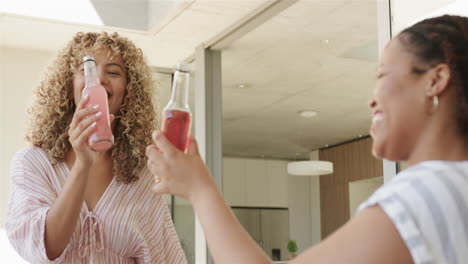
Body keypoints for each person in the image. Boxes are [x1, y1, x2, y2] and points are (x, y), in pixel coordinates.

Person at [146, 14, 468, 264]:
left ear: (435, 80)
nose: (372, 100)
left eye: (382, 75)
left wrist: (199, 189)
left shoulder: (426, 192)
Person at [6, 32, 187, 263]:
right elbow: (46, 247)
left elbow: (165, 257)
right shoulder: (33, 163)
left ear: (129, 92)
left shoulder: (142, 174)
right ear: (68, 84)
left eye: (113, 72)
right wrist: (83, 163)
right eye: (87, 68)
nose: (99, 79)